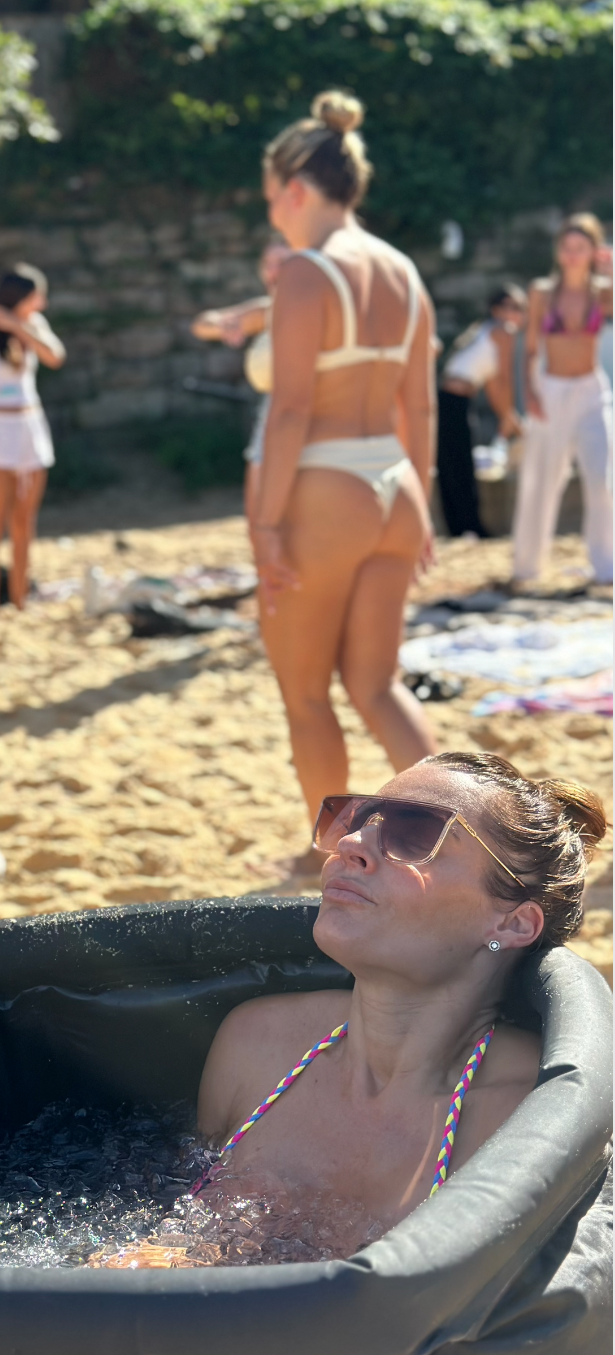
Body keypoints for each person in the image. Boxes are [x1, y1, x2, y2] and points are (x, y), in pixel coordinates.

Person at [194, 752, 605, 1256]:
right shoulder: (255, 1044)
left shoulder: (535, 1116)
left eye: (415, 832)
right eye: (361, 818)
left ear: (511, 925)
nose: (350, 843)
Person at [248, 91, 438, 869]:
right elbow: (417, 406)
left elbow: (290, 409)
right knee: (378, 684)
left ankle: (329, 853)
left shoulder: (307, 271)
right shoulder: (402, 269)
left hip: (327, 490)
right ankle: (455, 834)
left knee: (306, 695)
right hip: (396, 486)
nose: (273, 218)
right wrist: (421, 503)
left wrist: (263, 525)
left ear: (296, 189)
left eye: (271, 201)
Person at [513, 213, 613, 586]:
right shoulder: (541, 292)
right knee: (541, 479)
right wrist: (530, 392)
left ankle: (606, 566)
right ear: (558, 251)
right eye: (566, 248)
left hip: (591, 389)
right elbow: (529, 349)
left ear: (593, 251)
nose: (572, 255)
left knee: (603, 478)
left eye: (580, 248)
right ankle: (528, 566)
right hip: (550, 389)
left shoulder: (603, 292)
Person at [0, 264, 65, 612]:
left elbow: (55, 356)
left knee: (24, 521)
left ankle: (21, 599)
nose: (41, 302)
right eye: (35, 295)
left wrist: (16, 327)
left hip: (29, 426)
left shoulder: (31, 326)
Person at [192, 237, 292, 520]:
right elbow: (201, 324)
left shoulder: (325, 309)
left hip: (319, 423)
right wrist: (225, 325)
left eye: (282, 263)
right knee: (261, 514)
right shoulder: (266, 311)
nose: (272, 272)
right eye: (267, 264)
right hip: (272, 419)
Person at [437, 285, 526, 539]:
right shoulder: (502, 332)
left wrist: (506, 415)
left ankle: (464, 527)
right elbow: (503, 380)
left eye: (519, 308)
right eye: (509, 307)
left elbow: (493, 384)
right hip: (452, 401)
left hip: (455, 401)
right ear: (496, 310)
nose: (514, 314)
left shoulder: (485, 332)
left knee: (456, 466)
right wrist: (508, 417)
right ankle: (468, 527)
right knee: (458, 466)